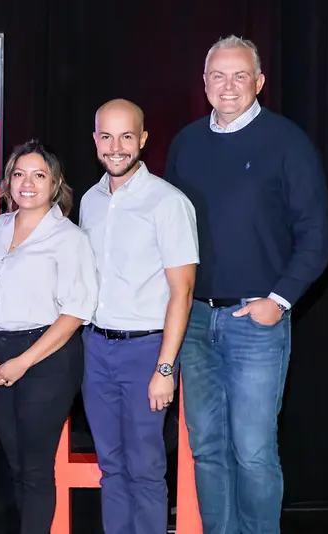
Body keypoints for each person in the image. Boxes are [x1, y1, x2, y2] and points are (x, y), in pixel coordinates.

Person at [165, 35, 328, 533]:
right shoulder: (186, 143)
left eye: (241, 76)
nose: (229, 86)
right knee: (207, 450)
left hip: (255, 324)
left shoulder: (287, 142)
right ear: (204, 83)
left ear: (259, 82)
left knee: (254, 451)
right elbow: (169, 234)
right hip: (194, 320)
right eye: (219, 75)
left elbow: (317, 235)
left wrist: (278, 302)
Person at [0, 139, 97, 534]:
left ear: (55, 184)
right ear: (8, 181)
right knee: (16, 464)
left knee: (36, 469)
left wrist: (23, 362)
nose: (27, 183)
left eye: (39, 175)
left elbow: (75, 312)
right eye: (19, 174)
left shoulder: (69, 238)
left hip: (46, 359)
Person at [78, 100, 198, 534]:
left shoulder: (168, 203)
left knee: (146, 468)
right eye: (106, 136)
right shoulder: (89, 201)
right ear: (94, 141)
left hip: (147, 350)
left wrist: (165, 368)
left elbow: (182, 292)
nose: (116, 146)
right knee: (110, 467)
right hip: (96, 349)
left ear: (143, 140)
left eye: (126, 136)